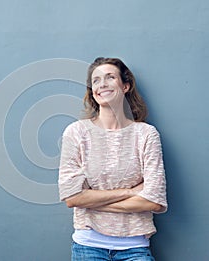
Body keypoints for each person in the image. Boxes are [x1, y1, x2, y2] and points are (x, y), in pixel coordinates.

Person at [58, 57, 167, 261]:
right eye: (96, 80)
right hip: (88, 247)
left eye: (110, 77)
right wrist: (130, 192)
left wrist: (89, 200)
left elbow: (154, 201)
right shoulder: (76, 132)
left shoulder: (146, 134)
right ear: (92, 91)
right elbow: (72, 197)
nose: (102, 84)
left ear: (125, 86)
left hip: (136, 248)